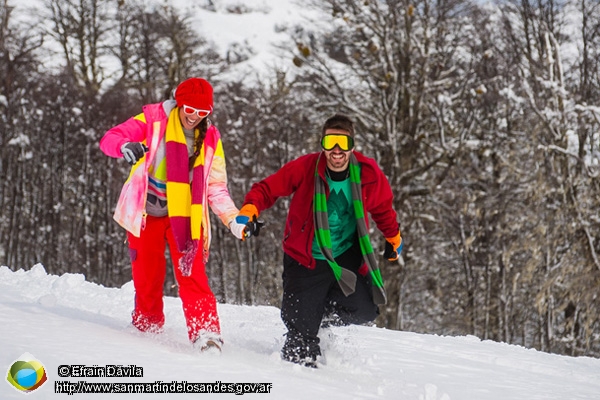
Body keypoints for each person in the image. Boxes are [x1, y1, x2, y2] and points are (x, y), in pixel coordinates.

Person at [236, 114, 402, 367]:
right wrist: (250, 210)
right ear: (322, 144)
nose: (337, 150)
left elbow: (382, 208)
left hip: (345, 255)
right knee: (300, 347)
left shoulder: (367, 173)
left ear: (352, 146)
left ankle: (318, 314)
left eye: (343, 143)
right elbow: (267, 189)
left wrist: (393, 236)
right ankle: (303, 363)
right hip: (306, 257)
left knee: (365, 309)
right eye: (330, 142)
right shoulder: (305, 167)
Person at [99, 77, 247, 352]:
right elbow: (110, 138)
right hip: (146, 211)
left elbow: (215, 187)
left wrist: (233, 219)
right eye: (190, 109)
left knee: (192, 275)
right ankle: (147, 324)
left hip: (185, 216)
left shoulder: (210, 137)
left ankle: (205, 331)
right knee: (146, 276)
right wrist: (124, 147)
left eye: (202, 113)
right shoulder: (153, 119)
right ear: (179, 103)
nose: (194, 117)